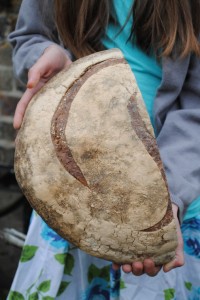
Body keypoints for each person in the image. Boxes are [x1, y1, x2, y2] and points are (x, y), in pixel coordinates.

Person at [7, 0, 200, 299]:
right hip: (72, 207)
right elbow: (29, 36)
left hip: (178, 205)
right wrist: (46, 55)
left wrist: (167, 199)